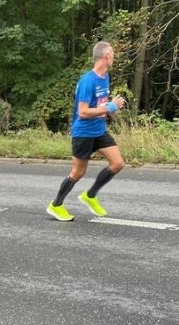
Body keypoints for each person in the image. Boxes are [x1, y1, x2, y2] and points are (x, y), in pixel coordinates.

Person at [47, 42, 127, 221]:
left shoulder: (105, 77)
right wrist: (109, 107)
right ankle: (56, 205)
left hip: (99, 131)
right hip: (83, 133)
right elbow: (82, 112)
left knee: (118, 163)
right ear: (105, 57)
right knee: (78, 173)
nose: (114, 58)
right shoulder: (87, 81)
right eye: (112, 55)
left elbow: (101, 106)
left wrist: (111, 108)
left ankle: (90, 196)